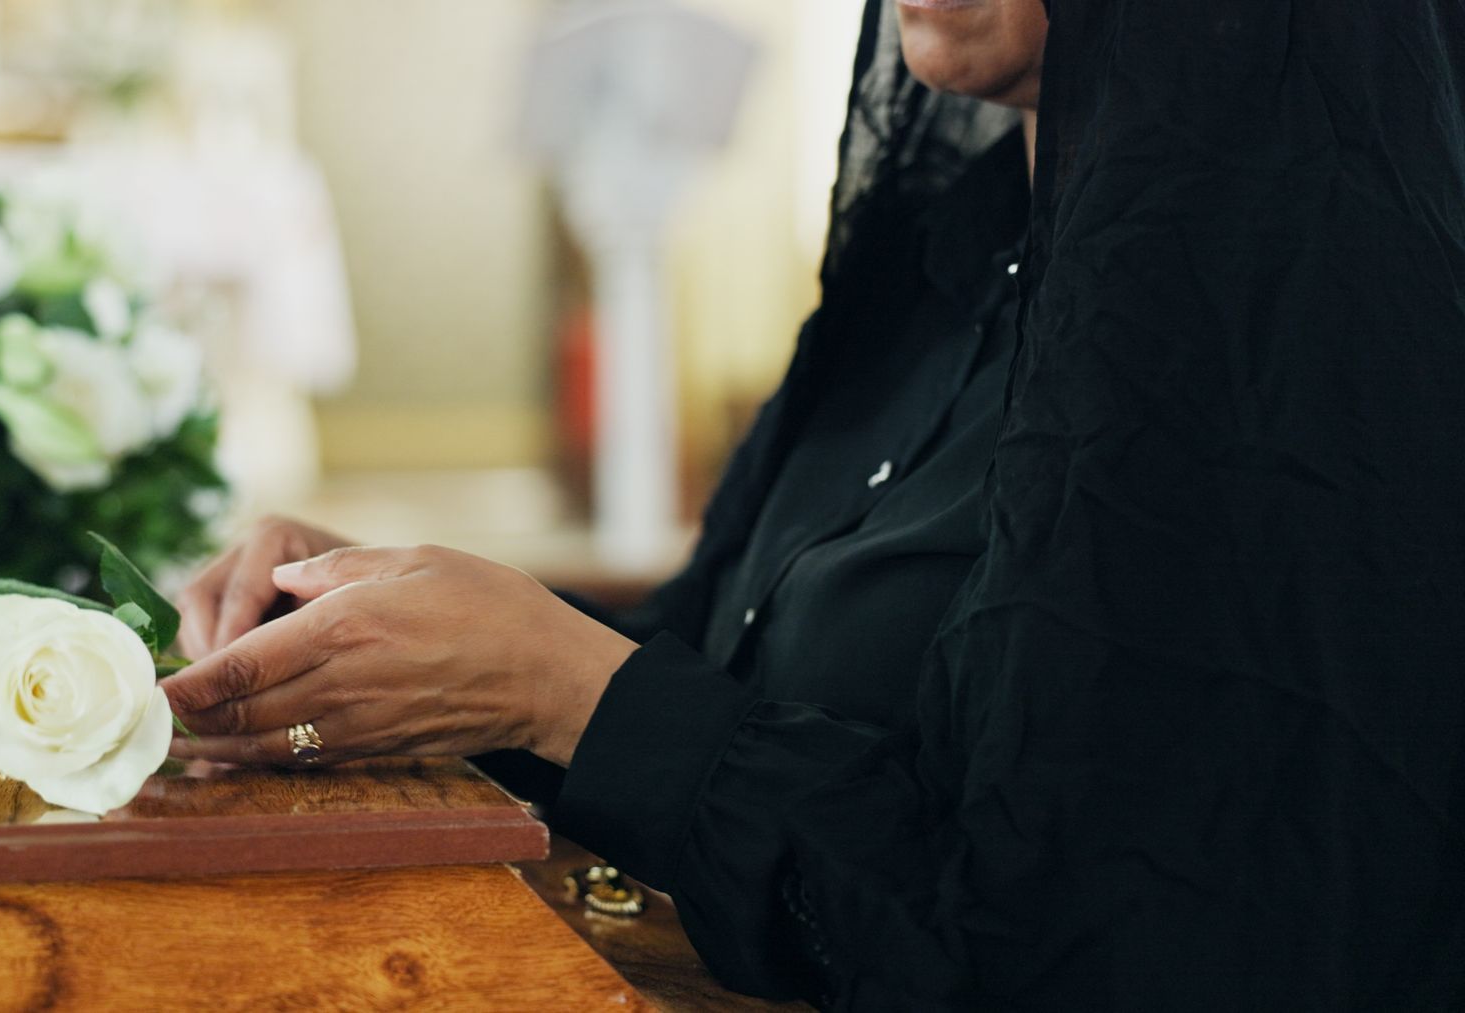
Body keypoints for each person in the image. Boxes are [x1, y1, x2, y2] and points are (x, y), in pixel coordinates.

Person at [166, 0, 1465, 1006]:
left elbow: (1072, 947)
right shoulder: (947, 249)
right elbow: (723, 657)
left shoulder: (1276, 349)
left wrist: (557, 684)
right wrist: (385, 613)